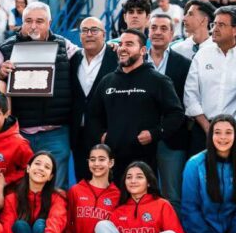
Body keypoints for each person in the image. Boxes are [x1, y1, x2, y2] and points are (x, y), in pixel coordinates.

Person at [89, 29, 184, 185]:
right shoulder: (107, 81)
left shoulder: (158, 80)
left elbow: (176, 114)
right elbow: (93, 115)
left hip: (144, 162)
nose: (122, 48)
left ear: (142, 50)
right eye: (120, 44)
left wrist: (154, 133)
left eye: (129, 44)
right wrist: (102, 135)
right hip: (113, 161)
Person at [0, 2, 76, 189]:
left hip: (55, 132)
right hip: (21, 133)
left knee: (57, 190)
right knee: (20, 188)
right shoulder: (5, 49)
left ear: (49, 23)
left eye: (39, 21)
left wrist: (112, 48)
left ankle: (53, 220)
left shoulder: (65, 46)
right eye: (28, 21)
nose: (33, 26)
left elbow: (91, 60)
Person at [184, 6, 236, 157]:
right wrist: (206, 125)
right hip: (202, 130)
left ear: (235, 30)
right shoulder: (202, 55)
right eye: (214, 24)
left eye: (221, 25)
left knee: (235, 177)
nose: (214, 29)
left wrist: (230, 127)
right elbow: (190, 93)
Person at [148, 13, 191, 210]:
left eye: (163, 28)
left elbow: (186, 102)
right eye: (154, 27)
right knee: (143, 194)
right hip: (141, 138)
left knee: (172, 196)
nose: (157, 32)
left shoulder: (183, 64)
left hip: (172, 140)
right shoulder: (135, 60)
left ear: (173, 34)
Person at [62, 144, 120, 233]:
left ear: (111, 163)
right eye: (92, 159)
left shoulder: (117, 195)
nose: (96, 164)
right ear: (88, 162)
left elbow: (118, 230)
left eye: (101, 159)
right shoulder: (75, 191)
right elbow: (66, 224)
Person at [70, 17, 118, 181]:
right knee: (82, 181)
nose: (89, 34)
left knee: (109, 182)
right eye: (84, 30)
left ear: (104, 34)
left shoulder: (116, 56)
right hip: (78, 134)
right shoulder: (73, 58)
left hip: (106, 134)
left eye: (94, 30)